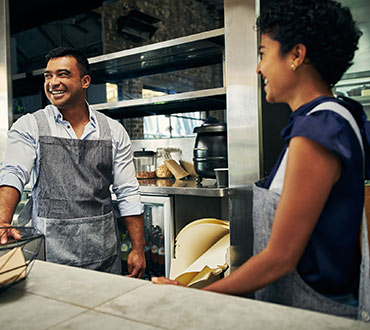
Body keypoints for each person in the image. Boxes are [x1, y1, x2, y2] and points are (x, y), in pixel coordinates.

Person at [152, 0, 370, 321]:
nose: (258, 68)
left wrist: (192, 296)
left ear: (296, 55)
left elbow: (280, 258)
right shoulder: (338, 115)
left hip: (315, 311)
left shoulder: (319, 129)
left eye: (263, 53)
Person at [0, 47, 146, 278]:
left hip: (103, 255)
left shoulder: (113, 131)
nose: (53, 82)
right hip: (49, 254)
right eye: (48, 76)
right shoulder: (30, 125)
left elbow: (128, 192)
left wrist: (138, 249)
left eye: (63, 74)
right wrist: (2, 221)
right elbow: (13, 173)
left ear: (85, 81)